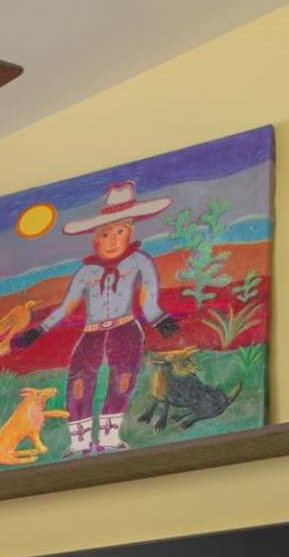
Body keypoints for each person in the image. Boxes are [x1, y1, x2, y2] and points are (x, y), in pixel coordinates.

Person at [23, 179, 177, 454]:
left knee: (123, 379)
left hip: (125, 329)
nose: (113, 239)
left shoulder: (140, 261)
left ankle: (109, 437)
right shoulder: (86, 272)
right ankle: (79, 441)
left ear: (130, 231)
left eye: (119, 231)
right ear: (95, 238)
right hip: (92, 333)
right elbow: (67, 305)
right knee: (79, 382)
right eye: (106, 234)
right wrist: (39, 329)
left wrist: (158, 318)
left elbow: (148, 295)